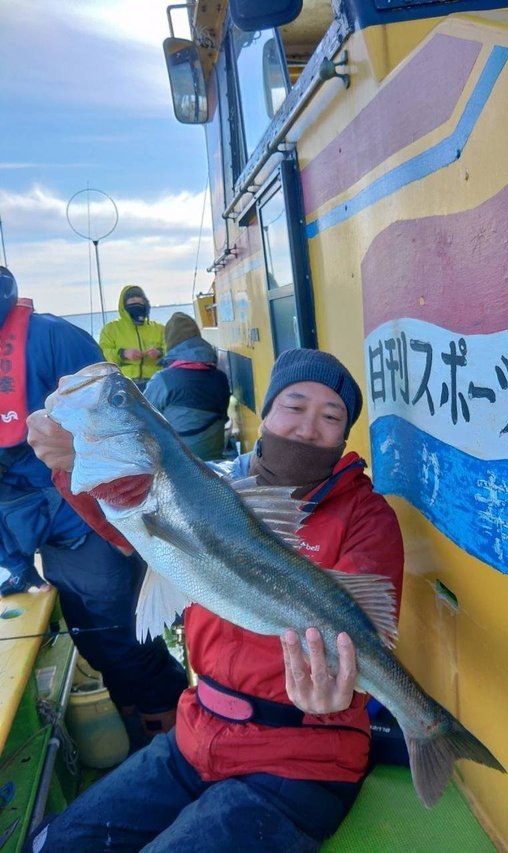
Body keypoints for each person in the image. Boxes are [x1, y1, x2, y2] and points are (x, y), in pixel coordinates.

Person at [26, 348, 405, 853]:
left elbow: (358, 632)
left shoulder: (366, 516)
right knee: (55, 843)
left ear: (343, 437)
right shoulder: (220, 483)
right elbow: (134, 533)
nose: (308, 426)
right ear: (265, 411)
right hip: (197, 734)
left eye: (331, 416)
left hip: (302, 756)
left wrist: (339, 691)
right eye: (294, 405)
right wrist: (69, 465)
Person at [0, 266, 187, 744]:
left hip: (95, 523)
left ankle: (166, 734)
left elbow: (127, 429)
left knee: (122, 638)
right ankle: (137, 731)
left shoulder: (56, 338)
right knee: (93, 637)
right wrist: (14, 560)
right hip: (41, 537)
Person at [144, 312, 231, 461]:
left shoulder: (162, 380)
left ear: (170, 344)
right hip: (215, 461)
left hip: (179, 465)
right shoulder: (221, 377)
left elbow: (141, 417)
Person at [99, 285, 164, 390]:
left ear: (146, 303)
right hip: (123, 383)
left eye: (140, 301)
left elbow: (172, 351)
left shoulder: (159, 329)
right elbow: (103, 355)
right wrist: (123, 353)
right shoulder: (111, 329)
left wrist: (159, 352)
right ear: (124, 305)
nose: (137, 304)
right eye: (132, 301)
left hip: (155, 382)